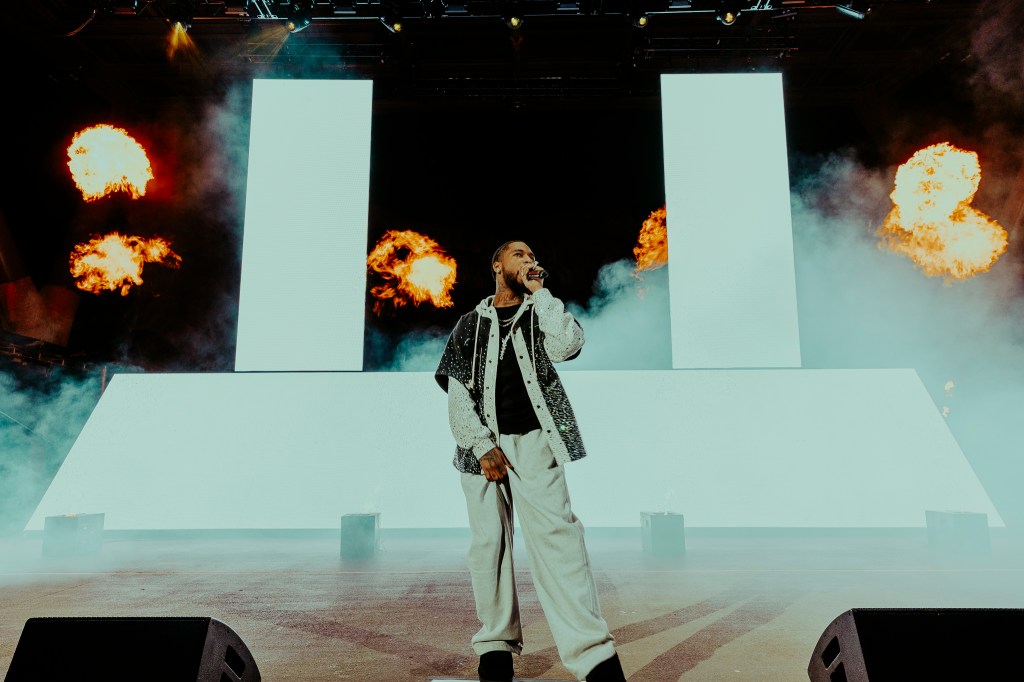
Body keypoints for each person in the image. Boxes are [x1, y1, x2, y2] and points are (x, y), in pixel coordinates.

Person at [434, 240, 627, 682]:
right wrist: (481, 446)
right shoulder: (468, 324)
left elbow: (567, 345)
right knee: (489, 549)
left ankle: (594, 657)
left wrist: (541, 293)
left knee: (561, 544)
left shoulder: (540, 313)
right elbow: (458, 394)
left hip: (537, 443)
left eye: (532, 254)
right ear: (496, 264)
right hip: (481, 450)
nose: (528, 259)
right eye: (518, 254)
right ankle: (495, 653)